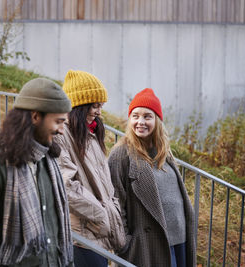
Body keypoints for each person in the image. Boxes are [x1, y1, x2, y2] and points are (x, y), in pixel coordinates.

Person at [0, 78, 74, 267]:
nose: (62, 130)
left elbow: (56, 231)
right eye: (59, 122)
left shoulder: (47, 160)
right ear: (35, 117)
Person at [108, 88, 196, 267]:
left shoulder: (163, 153)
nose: (140, 122)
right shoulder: (121, 155)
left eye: (147, 116)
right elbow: (115, 202)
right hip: (148, 245)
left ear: (157, 120)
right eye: (135, 116)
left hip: (179, 241)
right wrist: (125, 243)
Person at [54, 70, 126, 267]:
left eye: (100, 106)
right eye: (94, 106)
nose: (99, 112)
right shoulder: (61, 136)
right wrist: (101, 214)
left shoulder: (90, 134)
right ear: (78, 105)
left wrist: (112, 210)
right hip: (81, 236)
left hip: (97, 232)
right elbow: (65, 185)